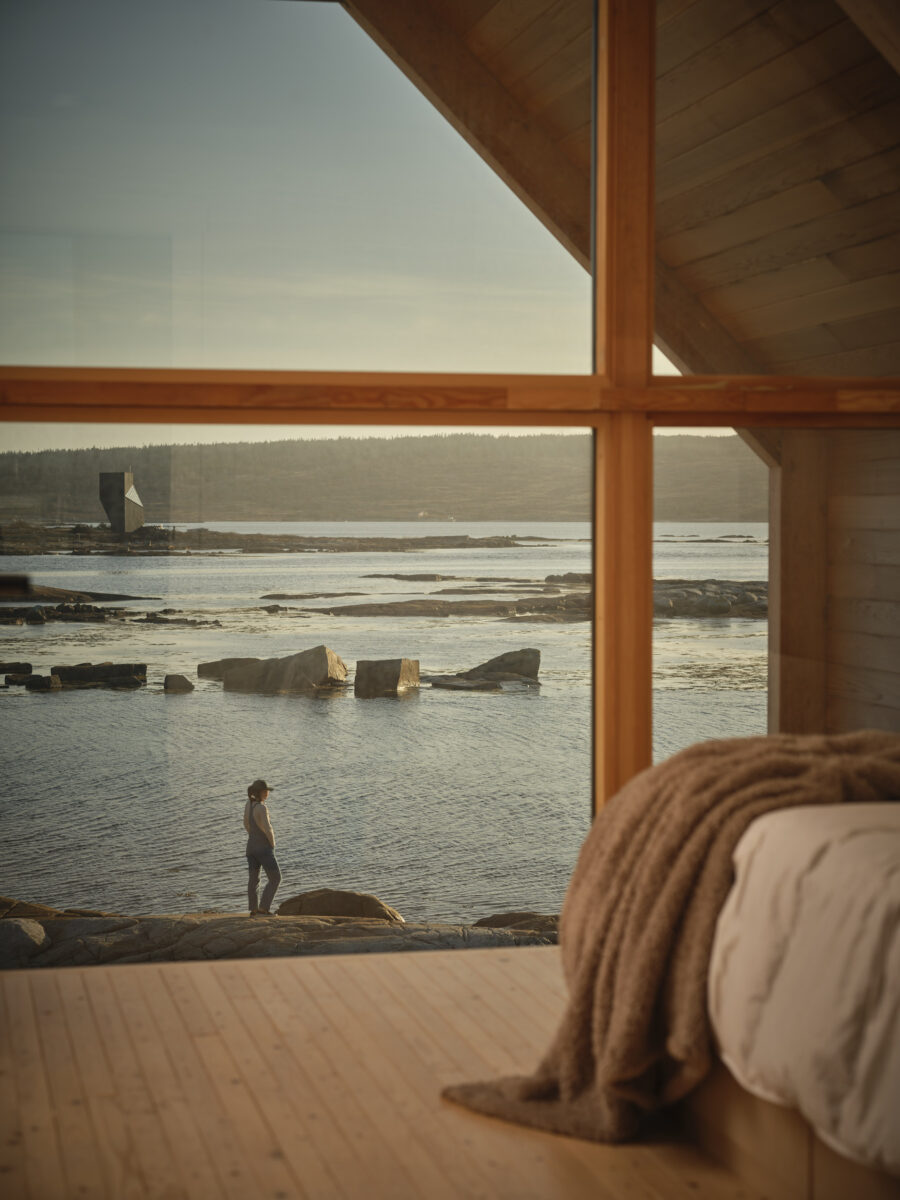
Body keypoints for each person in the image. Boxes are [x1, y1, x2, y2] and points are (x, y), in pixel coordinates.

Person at [244, 779, 281, 915]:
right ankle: (264, 908)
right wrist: (272, 844)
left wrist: (253, 836)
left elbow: (246, 824)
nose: (267, 793)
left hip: (250, 847)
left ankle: (253, 910)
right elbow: (267, 828)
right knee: (275, 878)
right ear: (260, 793)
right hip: (263, 848)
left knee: (253, 879)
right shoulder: (261, 808)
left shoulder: (249, 804)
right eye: (266, 791)